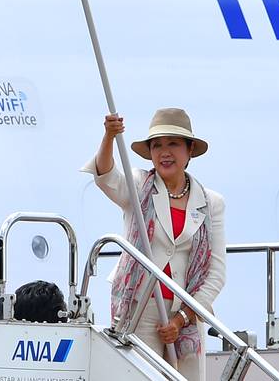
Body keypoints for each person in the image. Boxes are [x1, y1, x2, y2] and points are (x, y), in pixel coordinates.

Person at [82, 108, 227, 380]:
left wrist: (181, 318)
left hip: (186, 315)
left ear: (189, 149)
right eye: (157, 145)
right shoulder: (139, 185)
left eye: (172, 143)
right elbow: (106, 177)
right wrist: (109, 137)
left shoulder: (211, 203)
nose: (164, 152)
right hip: (140, 306)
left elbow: (216, 274)